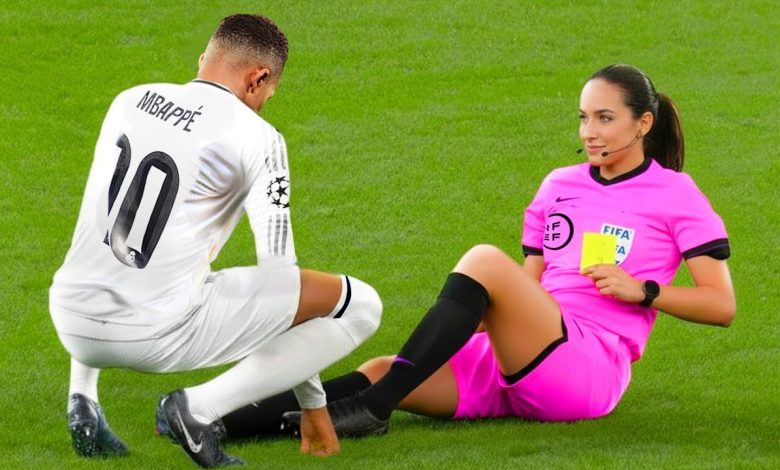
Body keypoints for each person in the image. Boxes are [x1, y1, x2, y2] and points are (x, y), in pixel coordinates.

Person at [219, 64, 735, 440]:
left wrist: (644, 290)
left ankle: (374, 410)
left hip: (586, 369)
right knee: (385, 368)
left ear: (643, 124)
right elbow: (529, 285)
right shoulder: (560, 184)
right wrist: (482, 320)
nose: (589, 132)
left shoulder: (676, 194)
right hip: (524, 353)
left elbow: (721, 305)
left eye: (604, 118)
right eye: (583, 118)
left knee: (484, 259)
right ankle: (215, 418)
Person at [48, 14, 382, 467]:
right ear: (257, 78)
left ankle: (82, 400)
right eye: (267, 94)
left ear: (205, 57)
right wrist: (314, 405)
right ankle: (197, 410)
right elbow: (281, 277)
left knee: (107, 245)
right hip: (151, 336)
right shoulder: (259, 138)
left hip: (69, 318)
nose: (263, 104)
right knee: (359, 305)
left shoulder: (129, 100)